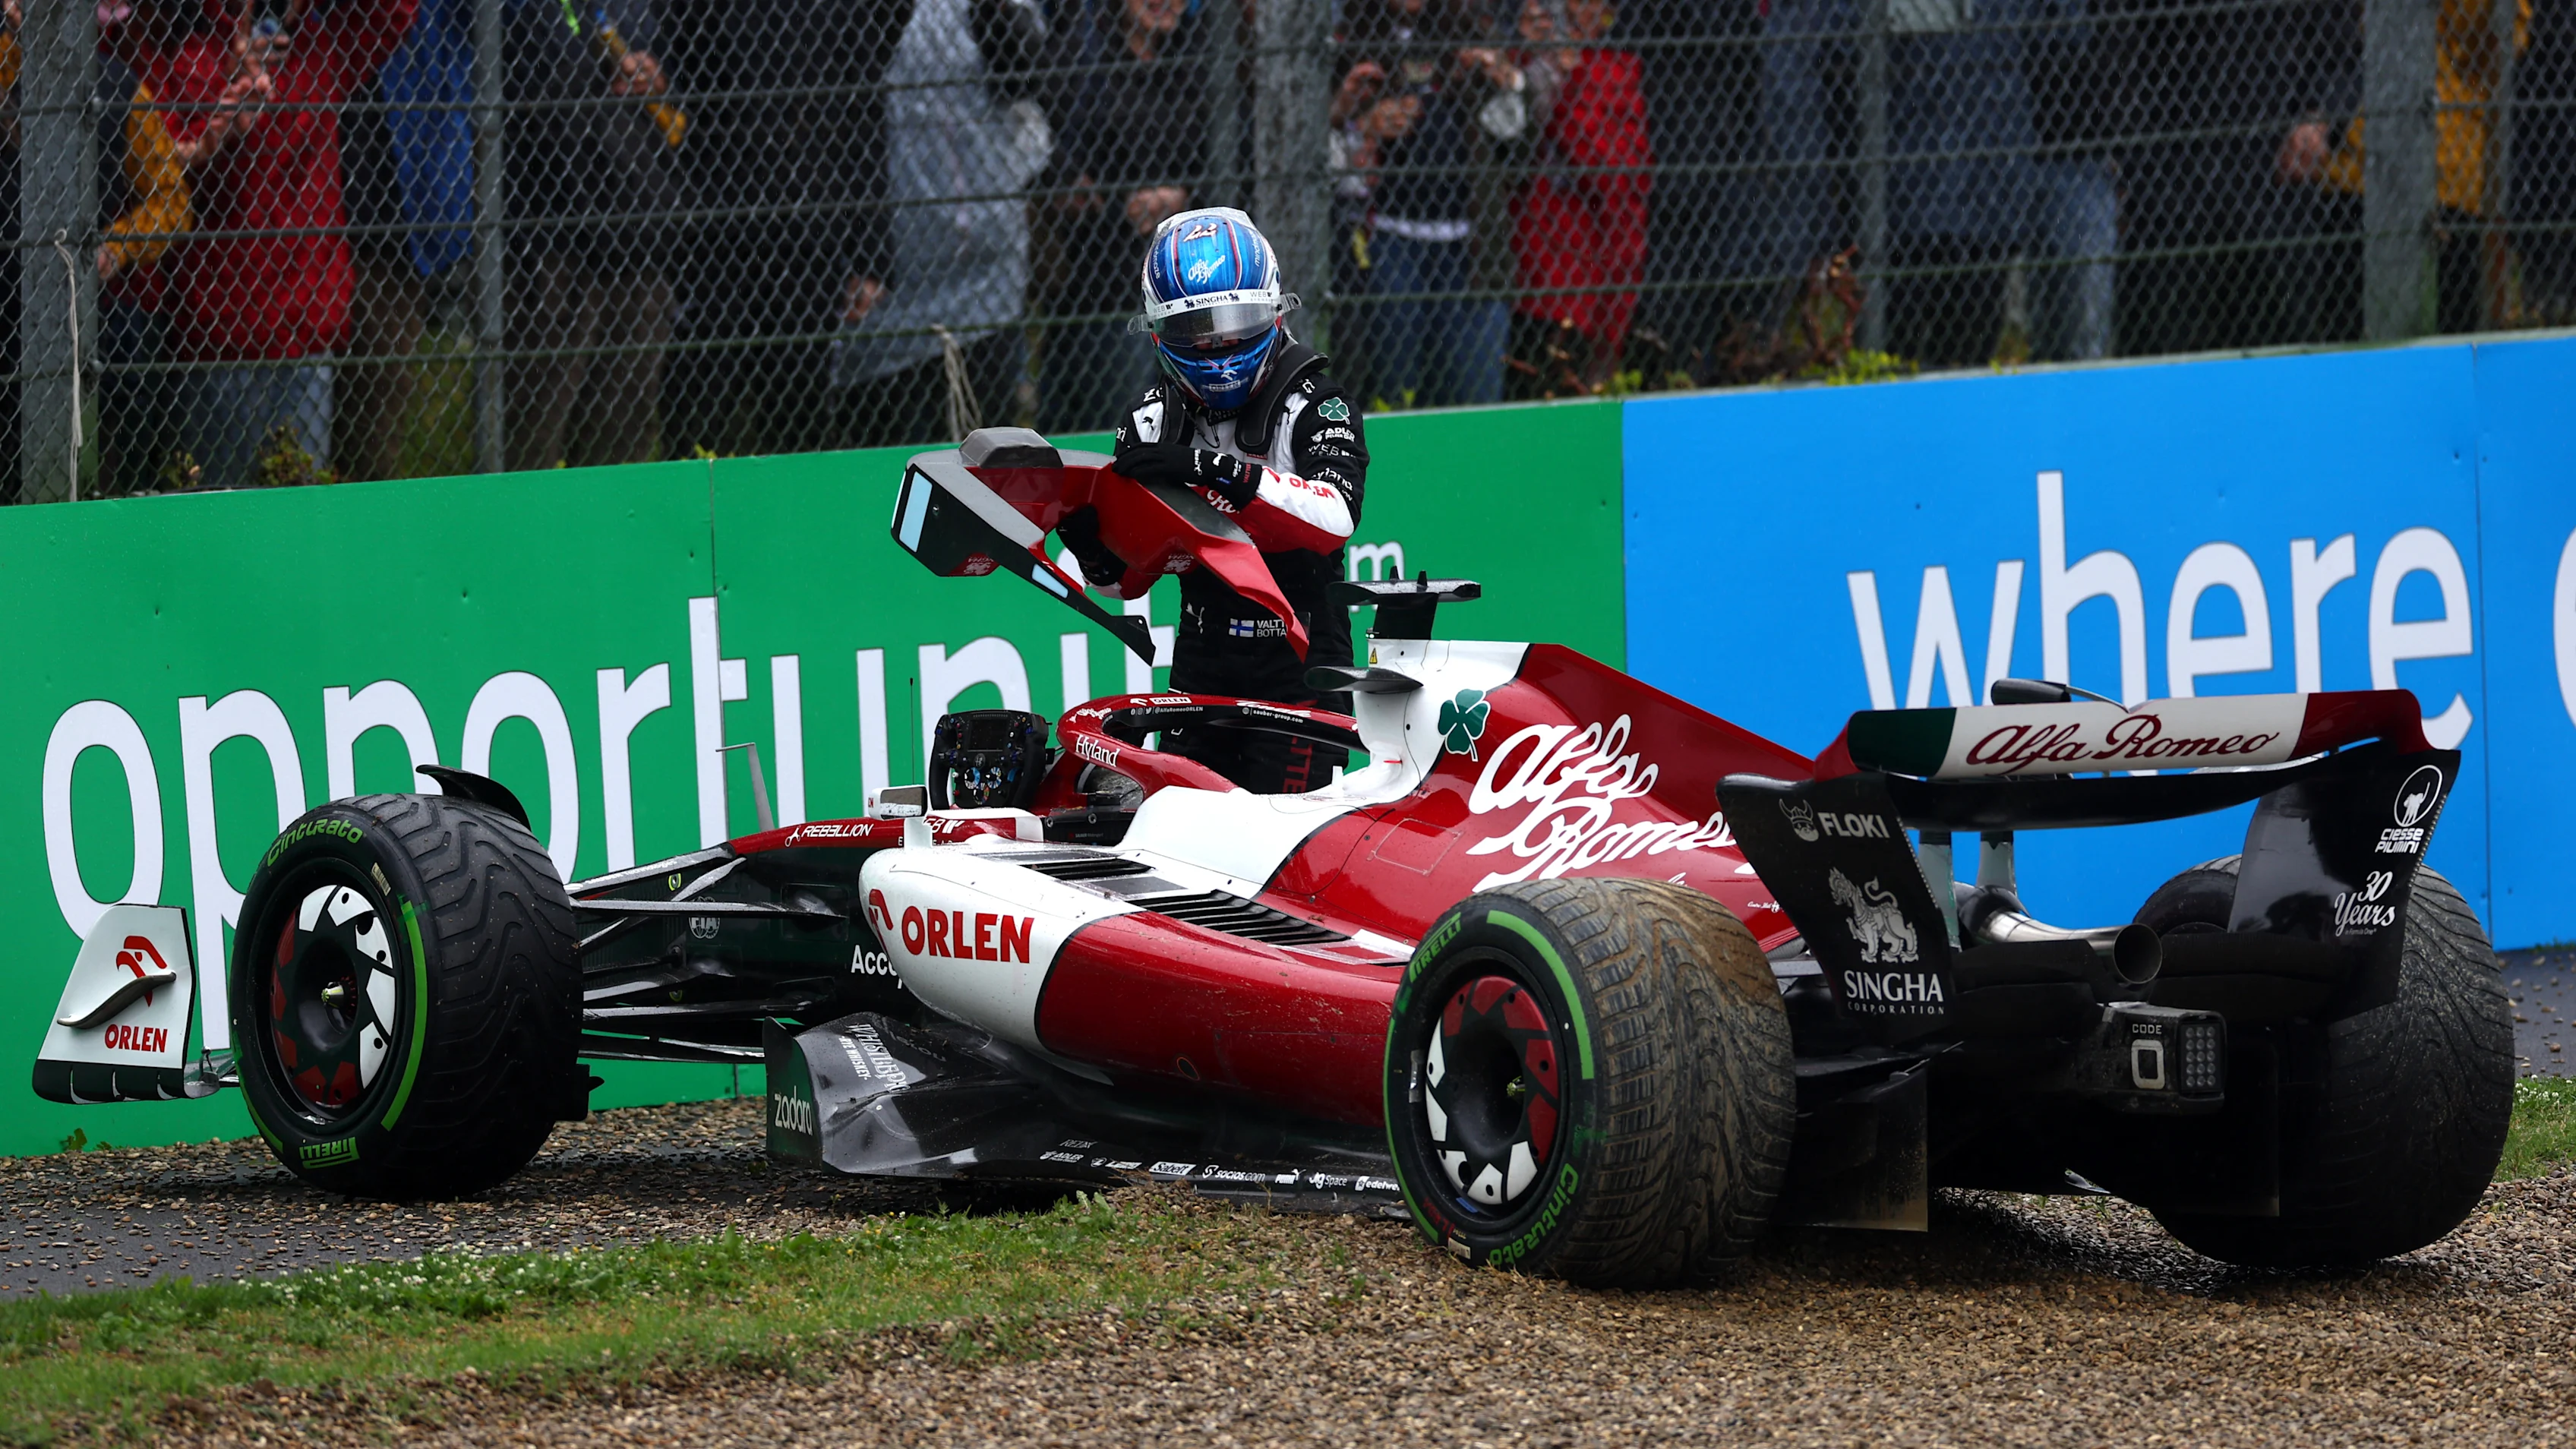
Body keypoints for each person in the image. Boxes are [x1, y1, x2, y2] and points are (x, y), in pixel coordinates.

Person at [1059, 208, 1371, 795]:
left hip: (1300, 665)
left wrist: (1212, 471)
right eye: (1198, 333)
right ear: (1158, 333)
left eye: (1237, 324)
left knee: (1279, 852)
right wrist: (1093, 549)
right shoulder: (1150, 420)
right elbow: (1125, 585)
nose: (1221, 346)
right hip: (1202, 662)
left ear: (1275, 309)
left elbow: (1336, 516)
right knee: (1185, 837)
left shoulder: (1317, 404)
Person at [140, 0, 419, 490]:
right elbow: (166, 162)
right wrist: (225, 101)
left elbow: (395, 13)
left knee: (299, 507)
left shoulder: (321, 48)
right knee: (216, 511)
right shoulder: (186, 51)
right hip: (221, 332)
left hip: (305, 328)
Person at [832, 0, 1050, 446]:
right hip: (888, 265)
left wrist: (995, 13)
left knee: (983, 447)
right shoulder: (859, 19)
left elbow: (1027, 76)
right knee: (887, 451)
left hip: (986, 263)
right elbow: (847, 94)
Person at [503, 0, 680, 470]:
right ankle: (525, 540)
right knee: (534, 438)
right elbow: (528, 83)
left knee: (621, 443)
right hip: (552, 247)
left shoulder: (647, 11)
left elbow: (696, 58)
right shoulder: (522, 10)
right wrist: (602, 69)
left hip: (637, 235)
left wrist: (659, 76)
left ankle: (615, 542)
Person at [1332, 0, 1526, 409]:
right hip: (1386, 238)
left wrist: (1506, 81)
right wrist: (1359, 123)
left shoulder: (1469, 37)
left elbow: (1511, 134)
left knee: (1471, 395)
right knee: (1393, 391)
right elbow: (1326, 168)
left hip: (1468, 245)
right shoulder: (1349, 43)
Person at [1036, 0, 1202, 434]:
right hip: (1100, 277)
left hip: (1183, 274)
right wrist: (1118, 203)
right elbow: (1057, 176)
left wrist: (1183, 196)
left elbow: (1222, 156)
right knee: (1108, 424)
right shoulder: (1083, 58)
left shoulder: (1196, 61)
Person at [1504, 0, 1649, 398]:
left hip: (1597, 235)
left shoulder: (1614, 69)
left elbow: (1621, 162)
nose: (1583, 16)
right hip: (1549, 234)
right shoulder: (1530, 67)